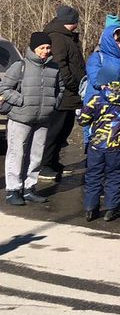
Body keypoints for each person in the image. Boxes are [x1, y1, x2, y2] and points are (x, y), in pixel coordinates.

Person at [1, 32, 62, 205]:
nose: (45, 51)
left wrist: (52, 104)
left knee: (36, 155)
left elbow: (61, 89)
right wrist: (21, 100)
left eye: (48, 48)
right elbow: (4, 88)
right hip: (20, 117)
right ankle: (13, 190)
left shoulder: (54, 67)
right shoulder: (20, 66)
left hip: (43, 118)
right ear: (33, 48)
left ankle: (29, 188)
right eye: (42, 48)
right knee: (16, 153)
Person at [39, 5, 84, 181]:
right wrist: (72, 84)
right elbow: (60, 65)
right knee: (54, 130)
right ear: (70, 22)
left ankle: (53, 161)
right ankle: (44, 164)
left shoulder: (67, 37)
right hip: (63, 93)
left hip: (71, 94)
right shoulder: (58, 38)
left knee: (64, 130)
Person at [78, 74, 120, 221]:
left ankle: (90, 208)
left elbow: (82, 119)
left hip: (97, 143)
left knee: (93, 175)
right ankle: (111, 208)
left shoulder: (97, 100)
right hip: (117, 144)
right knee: (114, 175)